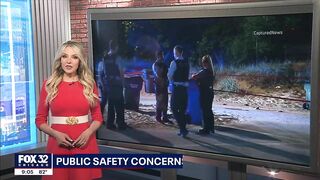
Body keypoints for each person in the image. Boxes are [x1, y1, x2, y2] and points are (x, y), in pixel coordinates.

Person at [35, 40, 103, 180]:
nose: (69, 61)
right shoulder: (49, 85)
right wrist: (55, 134)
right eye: (64, 56)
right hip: (57, 143)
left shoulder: (89, 84)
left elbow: (98, 117)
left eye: (74, 57)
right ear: (59, 60)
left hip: (84, 143)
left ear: (80, 61)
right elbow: (40, 120)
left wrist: (89, 132)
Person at [104, 40, 127, 130]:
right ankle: (120, 123)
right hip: (117, 83)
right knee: (119, 104)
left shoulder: (105, 57)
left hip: (109, 83)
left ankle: (110, 123)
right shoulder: (117, 58)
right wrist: (123, 82)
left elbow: (103, 71)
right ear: (116, 47)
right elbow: (121, 71)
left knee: (111, 104)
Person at [167, 45, 190, 137]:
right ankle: (183, 129)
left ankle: (183, 129)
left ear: (176, 52)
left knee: (173, 108)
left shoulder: (174, 63)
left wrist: (171, 83)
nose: (173, 54)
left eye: (174, 52)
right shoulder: (187, 62)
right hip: (185, 89)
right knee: (182, 110)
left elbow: (169, 75)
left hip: (177, 88)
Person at [191, 55, 215, 135]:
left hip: (204, 93)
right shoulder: (211, 71)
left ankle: (206, 129)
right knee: (209, 110)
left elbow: (194, 77)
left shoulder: (204, 71)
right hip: (210, 92)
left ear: (205, 63)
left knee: (204, 111)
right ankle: (211, 128)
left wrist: (193, 76)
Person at [152, 51, 173, 124]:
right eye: (162, 55)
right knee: (160, 101)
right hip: (160, 85)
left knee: (164, 101)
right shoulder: (157, 64)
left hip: (162, 84)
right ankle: (159, 117)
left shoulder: (160, 64)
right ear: (159, 56)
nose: (163, 57)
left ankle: (164, 116)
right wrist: (163, 82)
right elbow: (158, 74)